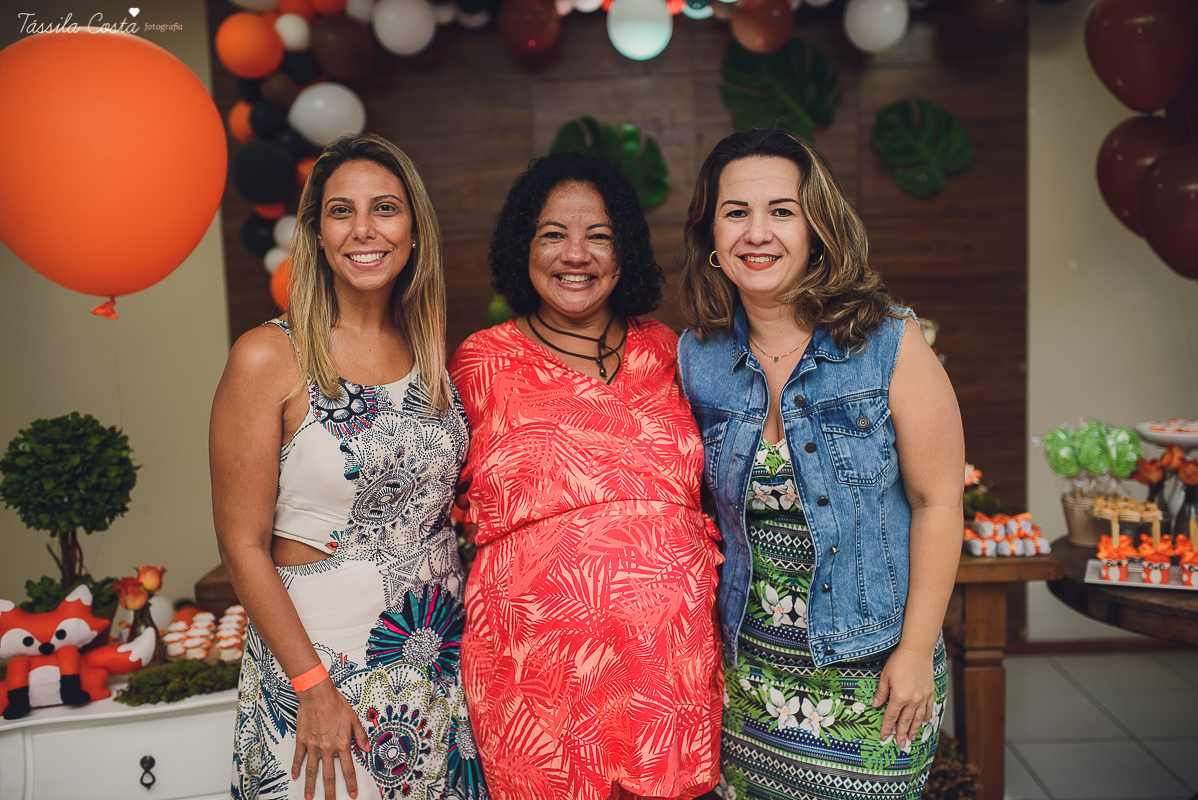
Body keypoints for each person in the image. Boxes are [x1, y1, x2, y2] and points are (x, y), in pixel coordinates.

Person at [676, 128, 964, 800]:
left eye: (781, 210)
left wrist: (918, 651)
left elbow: (938, 501)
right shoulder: (697, 358)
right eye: (736, 212)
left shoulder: (890, 342)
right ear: (712, 236)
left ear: (817, 227)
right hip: (750, 682)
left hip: (877, 672)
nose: (757, 233)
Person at [211, 133, 487, 800]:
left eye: (385, 208)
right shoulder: (267, 357)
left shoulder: (427, 353)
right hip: (320, 669)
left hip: (432, 662)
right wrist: (311, 687)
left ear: (414, 230)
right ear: (318, 234)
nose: (365, 229)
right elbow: (241, 546)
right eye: (342, 211)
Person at [448, 151, 723, 800]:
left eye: (598, 235)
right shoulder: (478, 364)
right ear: (523, 247)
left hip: (667, 678)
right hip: (540, 689)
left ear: (624, 253)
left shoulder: (670, 351)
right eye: (554, 234)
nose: (577, 254)